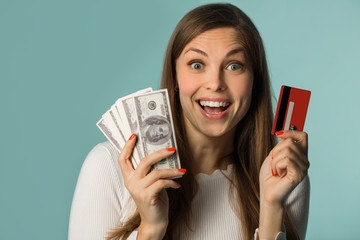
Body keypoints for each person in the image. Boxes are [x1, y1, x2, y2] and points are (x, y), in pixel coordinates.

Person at [68, 3, 310, 240]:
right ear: (174, 78)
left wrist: (271, 206)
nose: (215, 83)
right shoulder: (107, 166)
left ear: (254, 81)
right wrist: (151, 229)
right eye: (197, 65)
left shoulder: (284, 176)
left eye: (234, 65)